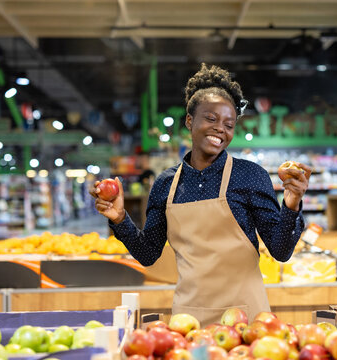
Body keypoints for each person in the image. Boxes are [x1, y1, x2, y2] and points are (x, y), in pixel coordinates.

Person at [91, 63, 312, 326]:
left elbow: (281, 250)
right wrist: (120, 219)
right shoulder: (165, 184)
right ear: (189, 121)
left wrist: (291, 204)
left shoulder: (250, 175)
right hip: (188, 319)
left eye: (229, 124)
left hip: (247, 319)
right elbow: (148, 254)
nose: (221, 129)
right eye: (211, 118)